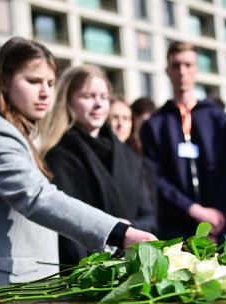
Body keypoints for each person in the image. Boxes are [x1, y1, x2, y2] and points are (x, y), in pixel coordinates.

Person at [0, 37, 155, 293]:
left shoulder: (14, 131)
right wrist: (119, 233)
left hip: (1, 288)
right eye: (33, 81)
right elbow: (38, 197)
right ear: (5, 81)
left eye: (50, 83)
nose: (45, 93)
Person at [40, 65, 156, 265]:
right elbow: (63, 225)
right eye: (88, 97)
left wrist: (127, 229)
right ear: (68, 100)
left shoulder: (129, 157)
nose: (98, 105)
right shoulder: (57, 153)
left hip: (131, 264)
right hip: (82, 272)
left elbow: (149, 216)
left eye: (104, 97)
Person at [140, 41, 226, 240]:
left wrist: (215, 213)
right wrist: (193, 209)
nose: (182, 72)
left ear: (196, 69)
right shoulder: (155, 124)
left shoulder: (217, 118)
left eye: (188, 65)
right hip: (174, 227)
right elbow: (155, 177)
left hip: (220, 222)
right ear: (167, 71)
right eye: (176, 65)